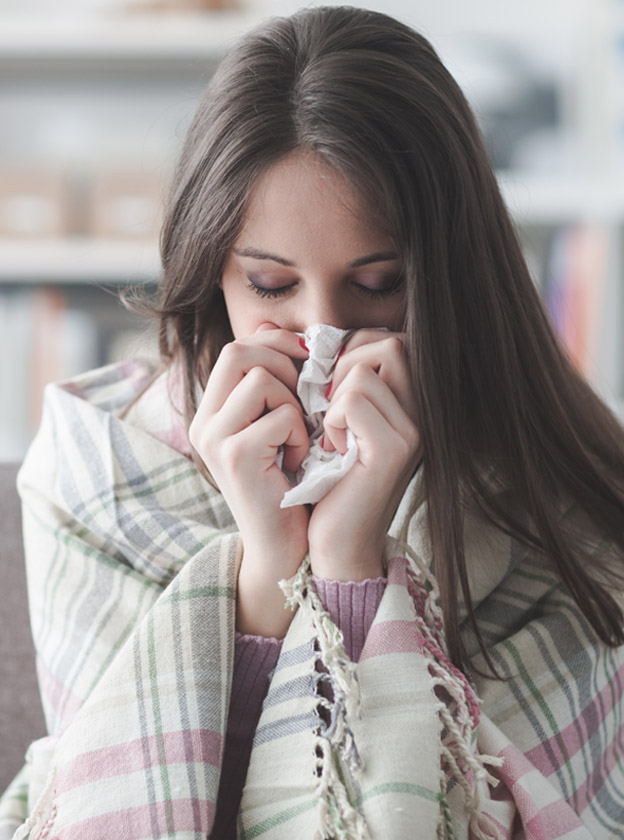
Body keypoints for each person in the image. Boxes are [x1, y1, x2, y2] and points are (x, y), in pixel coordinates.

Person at [1, 5, 623, 839]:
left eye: (376, 286)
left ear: (451, 275)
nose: (320, 333)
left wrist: (350, 562)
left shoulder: (559, 486)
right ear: (209, 270)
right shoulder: (98, 466)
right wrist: (266, 567)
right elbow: (131, 798)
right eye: (268, 285)